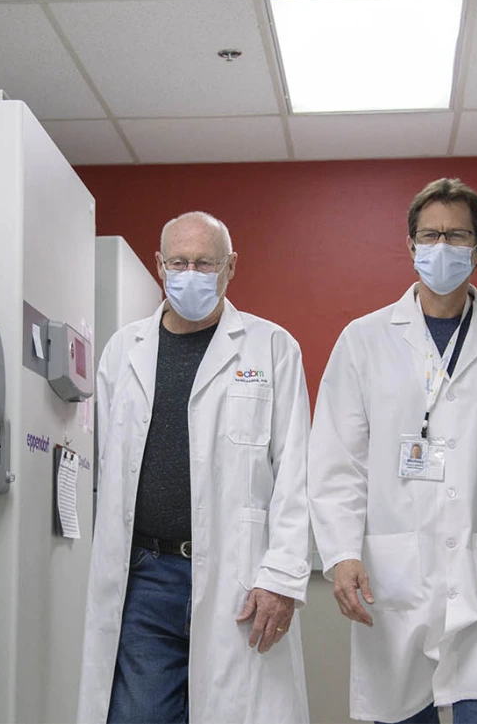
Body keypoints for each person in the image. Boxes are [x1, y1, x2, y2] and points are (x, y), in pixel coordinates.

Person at [308, 179, 477, 724]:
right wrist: (341, 554)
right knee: (402, 714)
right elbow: (337, 464)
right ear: (411, 246)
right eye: (429, 234)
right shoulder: (363, 341)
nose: (441, 246)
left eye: (457, 236)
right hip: (397, 584)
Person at [77, 212, 312, 724]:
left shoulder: (272, 348)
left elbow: (297, 473)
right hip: (146, 576)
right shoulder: (124, 351)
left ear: (231, 266)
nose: (190, 273)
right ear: (159, 266)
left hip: (240, 575)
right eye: (179, 262)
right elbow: (105, 469)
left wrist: (283, 577)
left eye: (204, 263)